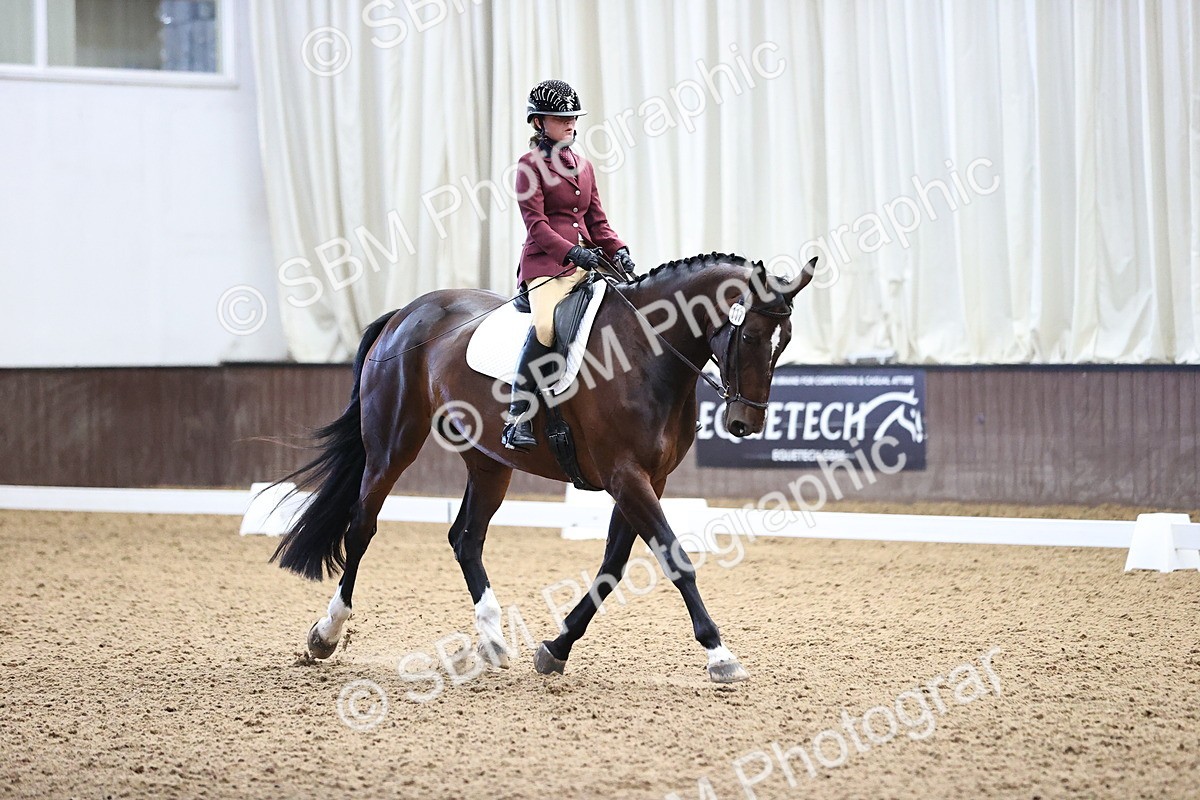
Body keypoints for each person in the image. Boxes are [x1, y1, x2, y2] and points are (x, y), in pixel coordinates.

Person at [501, 79, 636, 452]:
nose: (571, 124)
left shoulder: (584, 166)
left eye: (573, 118)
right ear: (539, 123)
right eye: (561, 119)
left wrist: (618, 249)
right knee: (547, 325)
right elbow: (537, 226)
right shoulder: (529, 166)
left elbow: (597, 220)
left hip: (586, 263)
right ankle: (519, 414)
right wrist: (572, 253)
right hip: (546, 266)